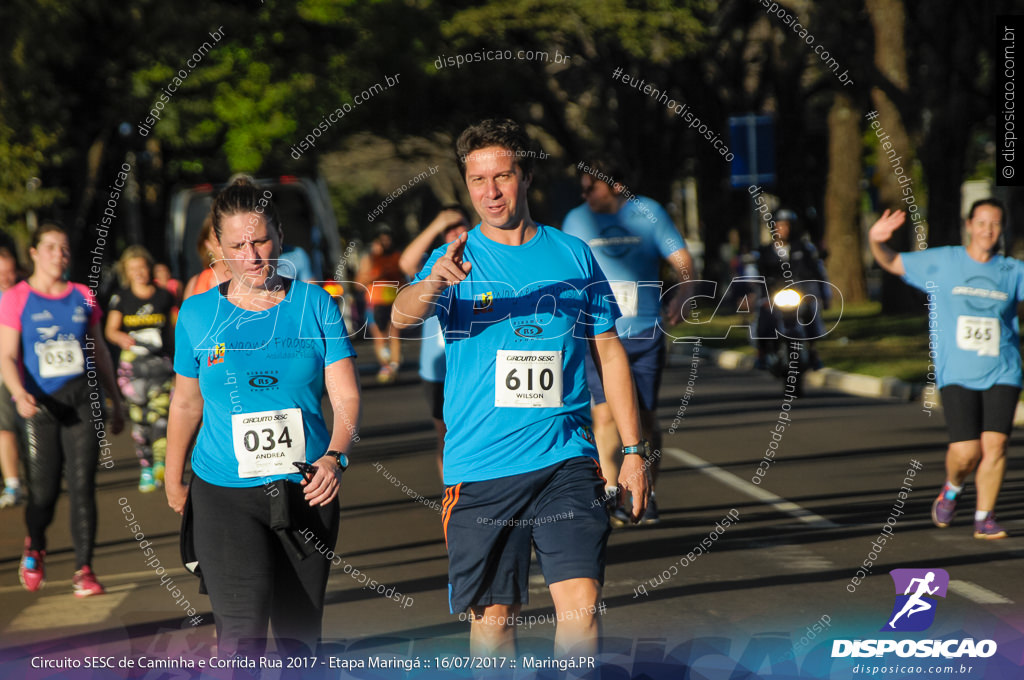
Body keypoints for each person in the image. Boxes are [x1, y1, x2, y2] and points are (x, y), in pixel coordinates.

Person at [392, 119, 649, 658]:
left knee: (581, 611)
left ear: (525, 176)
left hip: (567, 461)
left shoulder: (573, 254)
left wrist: (632, 451)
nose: (490, 192)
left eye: (502, 176)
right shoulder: (458, 259)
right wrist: (436, 280)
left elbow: (608, 350)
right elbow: (400, 315)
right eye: (477, 180)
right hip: (482, 469)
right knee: (494, 622)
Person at [165, 178, 360, 658]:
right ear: (217, 248)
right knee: (241, 639)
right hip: (224, 492)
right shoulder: (196, 314)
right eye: (237, 245)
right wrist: (174, 477)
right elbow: (186, 403)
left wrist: (336, 458)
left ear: (279, 236)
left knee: (299, 640)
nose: (251, 255)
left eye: (260, 241)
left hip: (307, 488)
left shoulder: (315, 304)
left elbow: (346, 397)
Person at [869, 199, 1023, 539]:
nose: (988, 230)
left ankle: (985, 517)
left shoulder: (1012, 271)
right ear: (969, 225)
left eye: (995, 224)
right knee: (967, 452)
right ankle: (952, 487)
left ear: (1002, 229)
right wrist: (877, 241)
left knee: (996, 446)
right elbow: (892, 262)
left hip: (1004, 369)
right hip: (957, 371)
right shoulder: (942, 262)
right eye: (981, 222)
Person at [562, 158, 692, 526]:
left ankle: (645, 491)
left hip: (645, 330)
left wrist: (684, 293)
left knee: (644, 418)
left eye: (593, 187)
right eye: (583, 187)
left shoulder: (647, 212)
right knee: (602, 414)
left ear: (616, 186)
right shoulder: (575, 220)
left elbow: (681, 259)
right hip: (598, 333)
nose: (585, 194)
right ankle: (609, 491)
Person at [0, 222, 124, 596]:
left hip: (83, 401)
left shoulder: (83, 295)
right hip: (39, 405)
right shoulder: (17, 298)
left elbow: (99, 350)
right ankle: (35, 543)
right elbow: (6, 354)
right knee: (44, 492)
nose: (59, 255)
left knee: (83, 486)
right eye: (51, 247)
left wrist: (116, 399)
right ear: (34, 253)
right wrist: (19, 392)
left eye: (65, 248)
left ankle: (84, 569)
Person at [398, 207, 473, 480]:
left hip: (470, 365)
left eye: (459, 225)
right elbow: (406, 264)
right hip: (437, 369)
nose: (453, 231)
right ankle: (450, 495)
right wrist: (435, 224)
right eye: (447, 228)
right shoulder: (433, 262)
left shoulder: (480, 259)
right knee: (445, 436)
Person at [105, 246, 177, 492]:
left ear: (150, 268)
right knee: (140, 421)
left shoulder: (164, 296)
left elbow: (173, 330)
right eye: (132, 268)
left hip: (160, 367)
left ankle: (161, 463)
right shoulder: (121, 297)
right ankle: (146, 467)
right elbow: (110, 330)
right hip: (132, 371)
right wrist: (121, 338)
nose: (138, 273)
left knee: (161, 417)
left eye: (142, 267)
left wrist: (177, 359)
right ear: (126, 271)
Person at [753, 209, 831, 368]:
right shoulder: (765, 252)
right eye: (780, 226)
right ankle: (762, 352)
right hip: (775, 295)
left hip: (799, 293)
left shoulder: (804, 249)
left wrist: (821, 295)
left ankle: (813, 350)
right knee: (764, 315)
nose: (784, 229)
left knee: (811, 312)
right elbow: (759, 277)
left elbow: (816, 273)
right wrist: (762, 296)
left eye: (787, 225)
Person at [356, 227, 405, 383]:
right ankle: (386, 366)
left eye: (388, 239)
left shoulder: (398, 256)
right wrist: (375, 274)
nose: (385, 243)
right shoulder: (369, 259)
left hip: (394, 300)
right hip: (375, 303)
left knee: (394, 334)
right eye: (382, 240)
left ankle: (394, 366)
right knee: (380, 336)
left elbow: (406, 276)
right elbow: (358, 283)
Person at [0, 247, 24, 508]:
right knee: (5, 429)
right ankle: (12, 483)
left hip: (31, 373)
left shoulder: (26, 295)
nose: (6, 278)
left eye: (9, 272)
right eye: (0, 273)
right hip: (3, 375)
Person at [182, 214, 231, 300]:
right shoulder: (196, 283)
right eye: (217, 237)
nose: (222, 242)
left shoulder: (249, 278)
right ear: (207, 245)